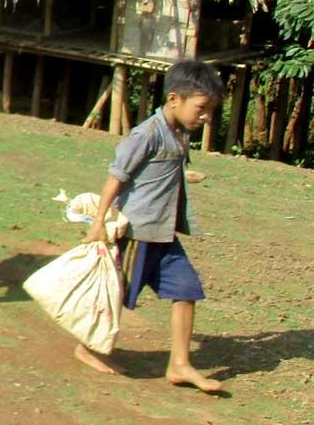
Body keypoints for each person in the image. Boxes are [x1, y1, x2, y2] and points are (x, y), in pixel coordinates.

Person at [73, 60, 224, 393]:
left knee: (187, 291)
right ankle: (88, 347)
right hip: (138, 235)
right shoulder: (147, 133)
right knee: (117, 294)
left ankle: (180, 364)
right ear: (174, 99)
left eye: (210, 110)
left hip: (164, 234)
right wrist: (98, 222)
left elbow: (159, 176)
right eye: (201, 108)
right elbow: (117, 176)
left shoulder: (179, 135)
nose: (206, 117)